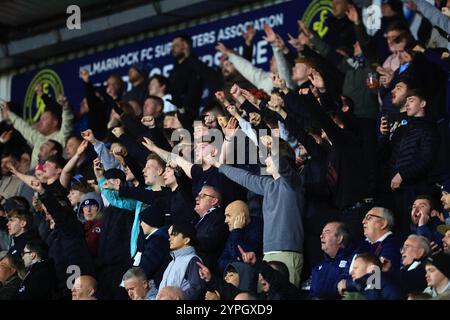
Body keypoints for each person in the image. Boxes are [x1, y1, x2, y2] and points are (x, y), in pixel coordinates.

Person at [209, 139, 305, 288]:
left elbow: (284, 168)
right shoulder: (268, 185)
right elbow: (245, 178)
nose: (265, 160)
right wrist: (218, 165)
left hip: (288, 252)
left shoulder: (294, 182)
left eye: (267, 156)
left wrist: (272, 148)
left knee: (285, 295)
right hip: (267, 254)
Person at [1, 89, 73, 167]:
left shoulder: (61, 137)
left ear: (54, 122)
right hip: (31, 176)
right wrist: (9, 114)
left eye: (44, 119)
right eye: (40, 119)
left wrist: (66, 107)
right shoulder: (39, 138)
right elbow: (24, 127)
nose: (40, 122)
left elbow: (67, 122)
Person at [158, 223, 205, 300]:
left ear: (186, 240)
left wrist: (180, 297)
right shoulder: (172, 262)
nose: (170, 239)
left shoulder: (192, 260)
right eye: (170, 236)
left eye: (174, 235)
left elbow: (197, 288)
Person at [218, 200, 263, 274]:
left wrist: (238, 230)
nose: (225, 221)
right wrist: (238, 261)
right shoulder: (234, 232)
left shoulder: (258, 227)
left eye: (228, 216)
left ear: (241, 216)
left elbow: (246, 255)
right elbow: (220, 263)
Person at [310, 222, 353, 299]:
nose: (321, 236)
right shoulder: (318, 266)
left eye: (327, 232)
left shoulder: (352, 262)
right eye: (322, 233)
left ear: (339, 238)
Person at [192, 185, 228, 273]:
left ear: (214, 201)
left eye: (202, 195)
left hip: (206, 271)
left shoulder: (220, 218)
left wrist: (188, 239)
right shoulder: (197, 219)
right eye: (198, 195)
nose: (197, 198)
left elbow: (210, 242)